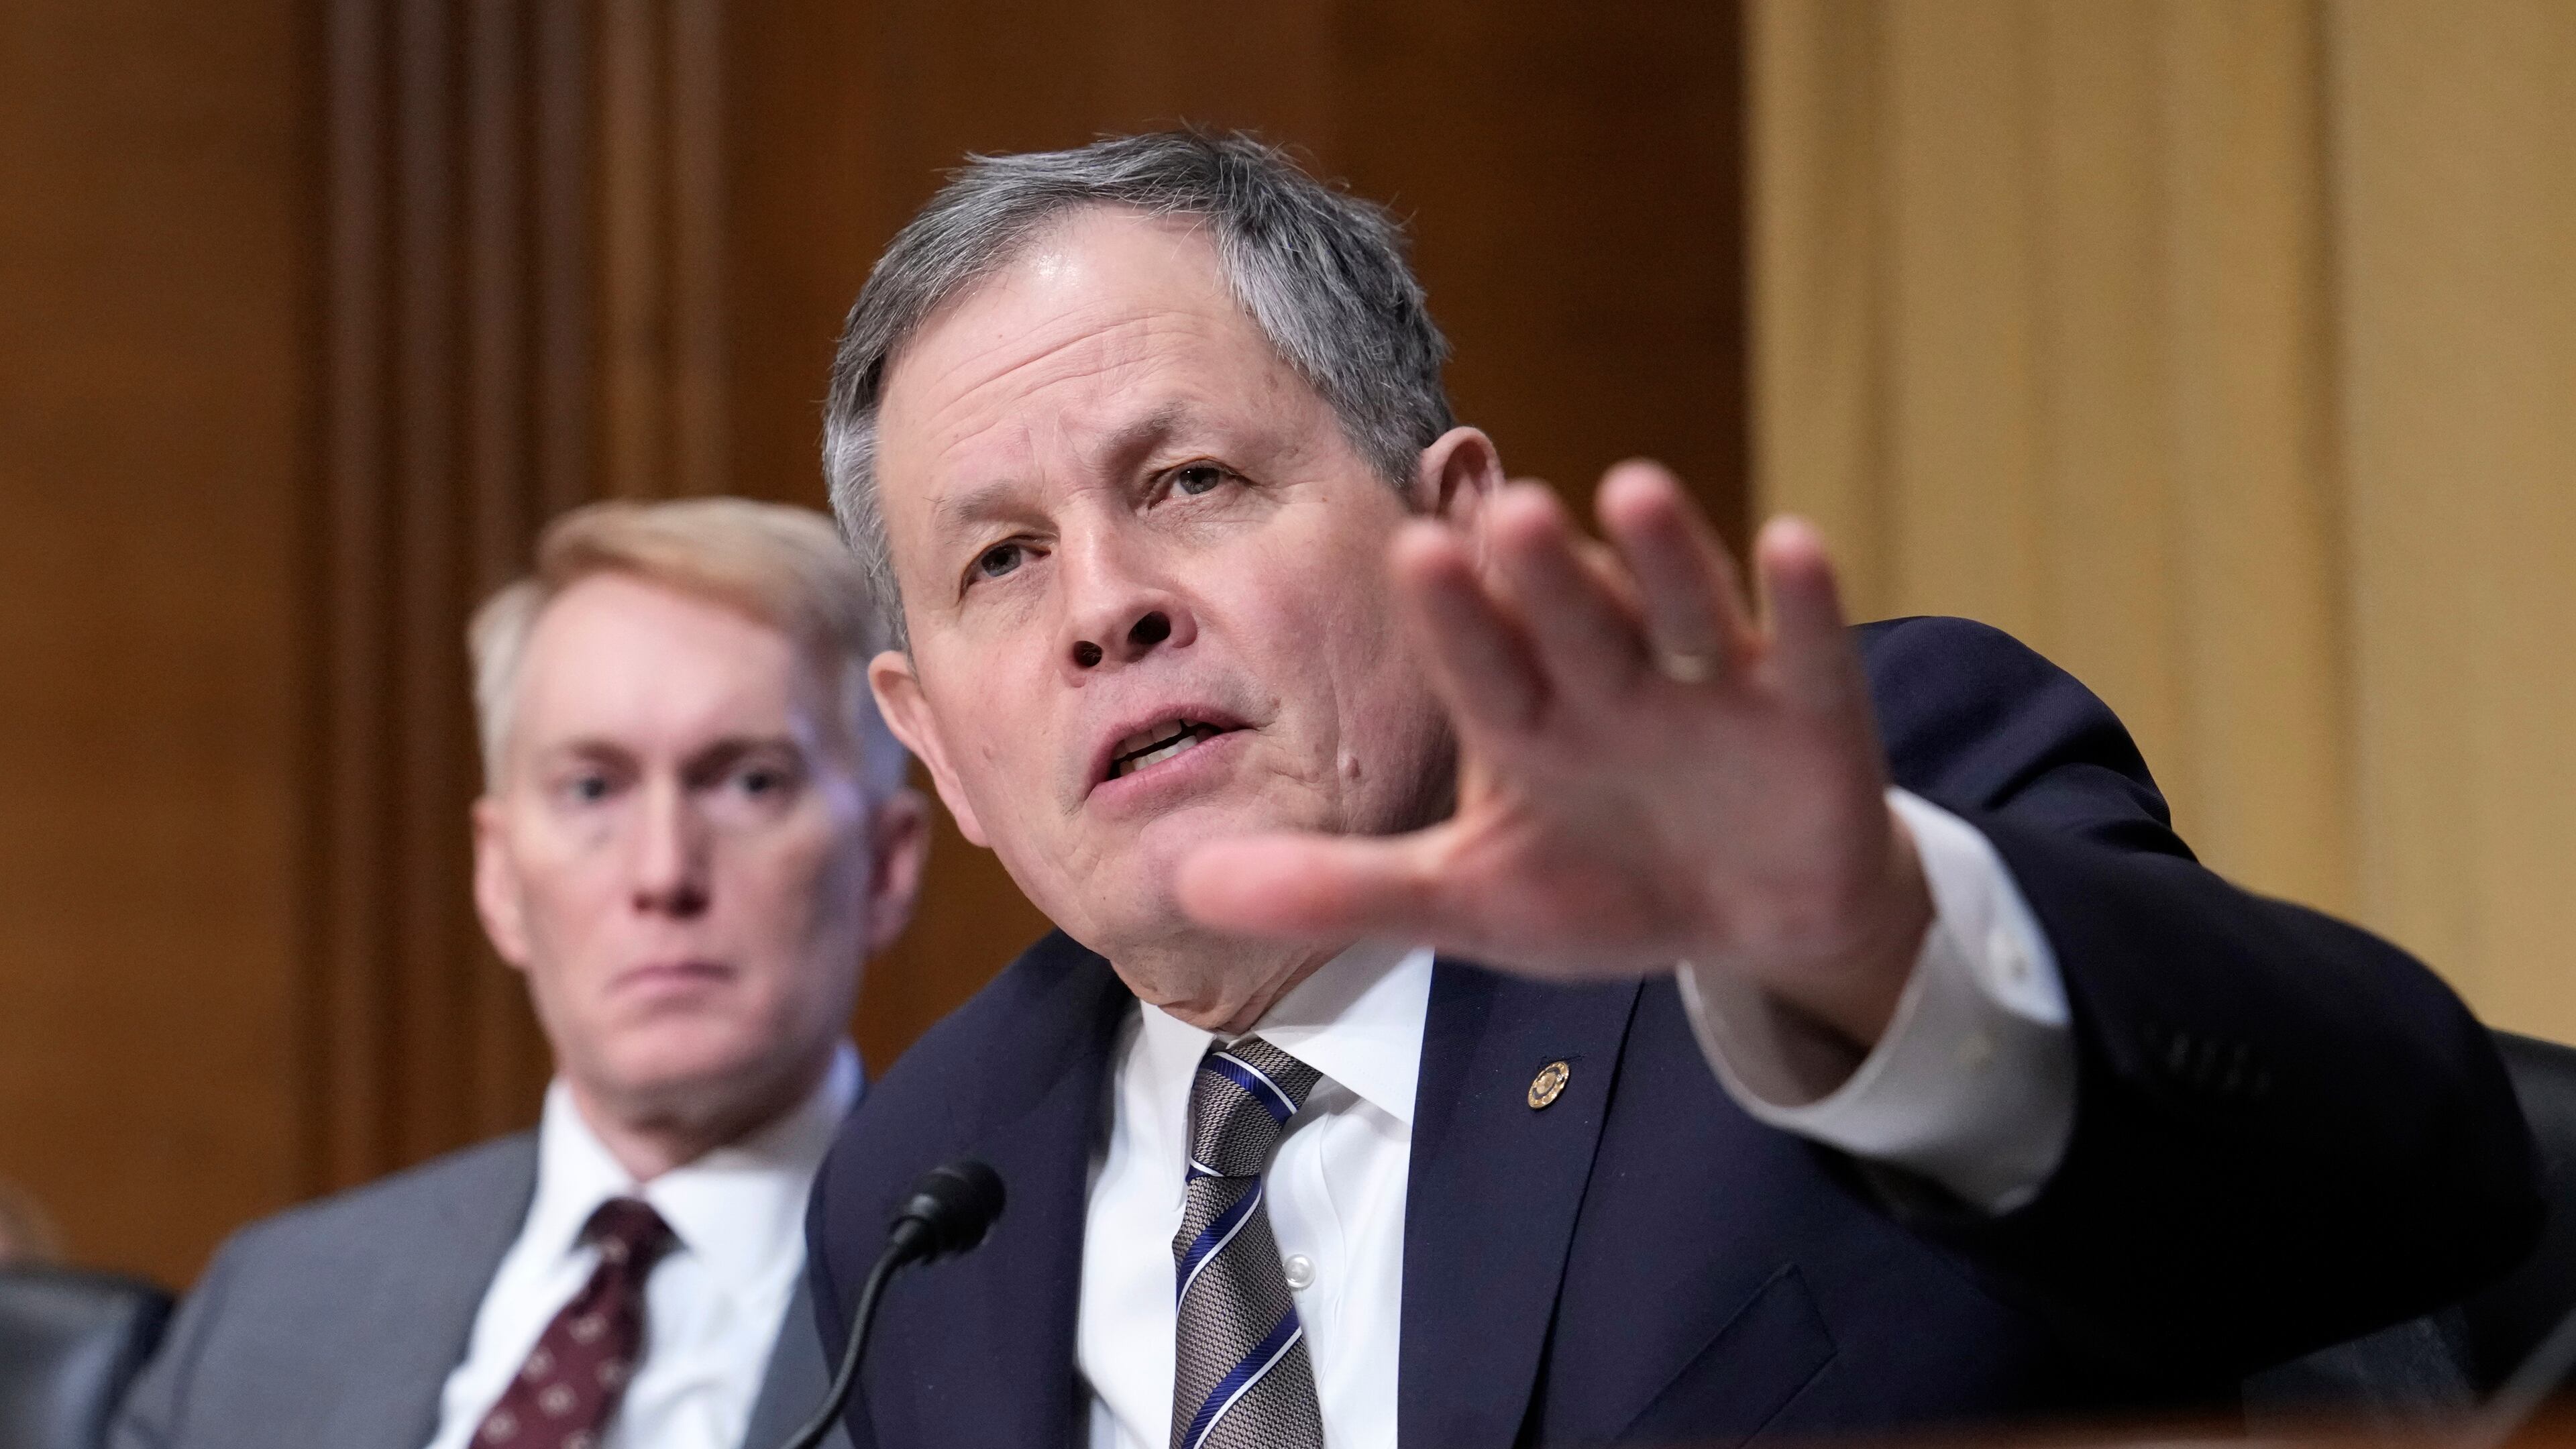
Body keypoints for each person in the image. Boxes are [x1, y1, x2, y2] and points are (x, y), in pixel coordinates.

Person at [801, 131, 2540, 1449]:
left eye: (1188, 480)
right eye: (1005, 560)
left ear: (1455, 529)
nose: (1107, 604)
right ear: (930, 738)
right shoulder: (932, 1186)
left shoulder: (1845, 818)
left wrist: (1880, 962)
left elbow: (2403, 1190)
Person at [115, 498, 924, 1449]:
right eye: (592, 788)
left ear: (883, 865)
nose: (662, 872)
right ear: (498, 877)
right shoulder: (274, 1307)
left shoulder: (1012, 1303)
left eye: (748, 782)